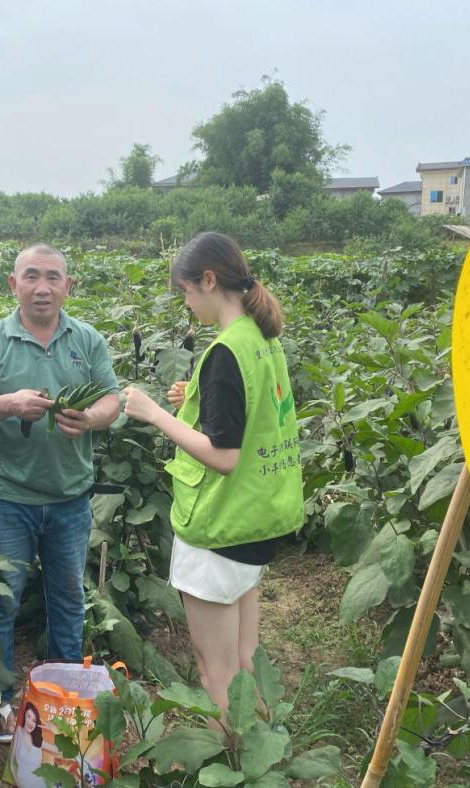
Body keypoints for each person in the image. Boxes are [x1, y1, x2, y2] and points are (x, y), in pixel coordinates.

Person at [122, 232, 303, 724]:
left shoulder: (225, 352)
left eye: (185, 291)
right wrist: (197, 399)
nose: (186, 303)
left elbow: (223, 456)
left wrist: (155, 413)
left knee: (216, 674)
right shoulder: (261, 338)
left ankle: (230, 758)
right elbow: (253, 413)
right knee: (245, 663)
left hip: (220, 526)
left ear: (208, 280)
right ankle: (261, 749)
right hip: (255, 519)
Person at [0, 243, 120, 741]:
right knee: (3, 601)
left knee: (68, 599)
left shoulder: (87, 339)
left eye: (53, 277)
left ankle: (63, 701)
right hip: (10, 499)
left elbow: (112, 400)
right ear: (14, 284)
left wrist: (90, 418)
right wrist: (8, 403)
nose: (42, 287)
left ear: (68, 286)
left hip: (71, 498)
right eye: (31, 276)